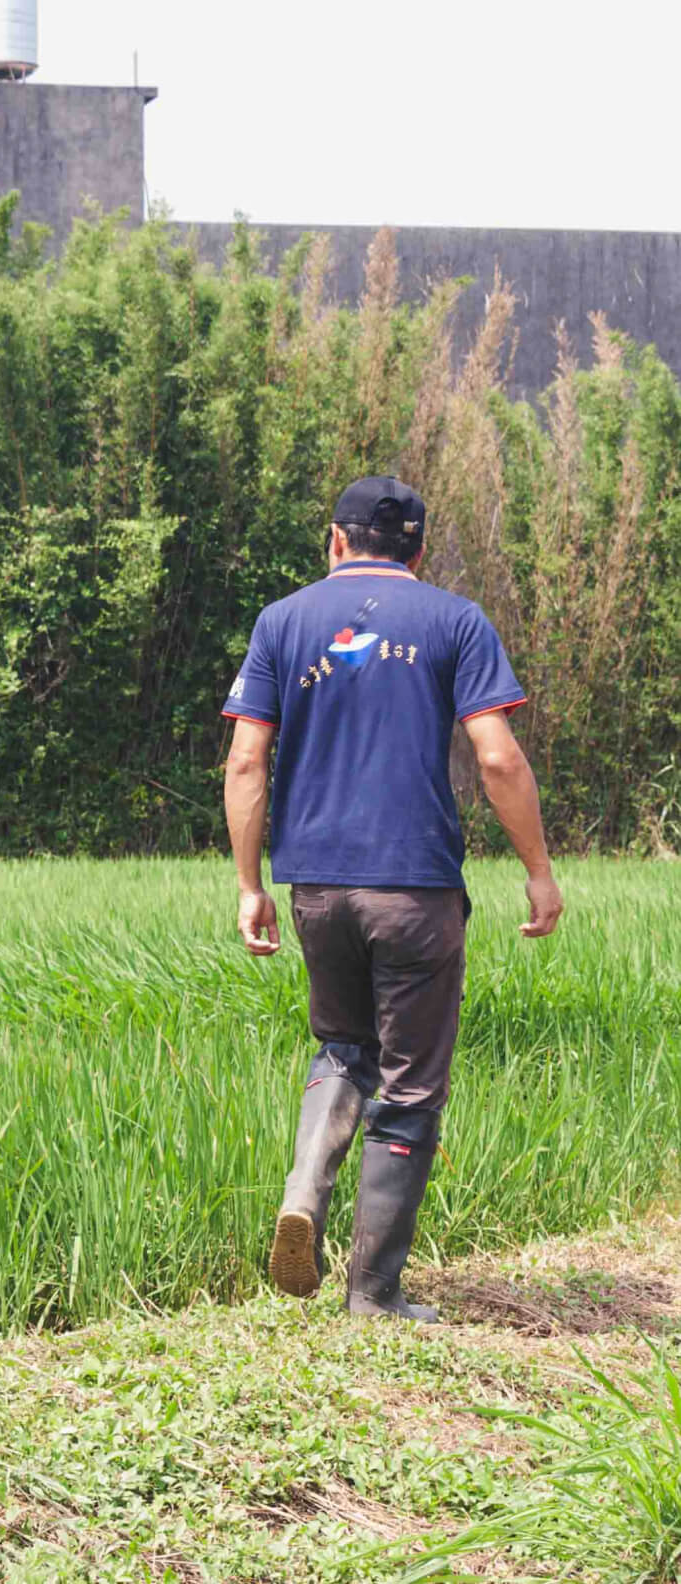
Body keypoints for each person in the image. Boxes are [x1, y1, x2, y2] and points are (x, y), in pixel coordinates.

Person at [222, 476, 563, 1321]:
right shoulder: (454, 619)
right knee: (408, 1087)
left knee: (342, 1047)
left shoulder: (281, 622)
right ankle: (373, 1294)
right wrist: (539, 869)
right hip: (415, 891)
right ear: (418, 549)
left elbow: (244, 762)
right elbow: (497, 757)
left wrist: (249, 885)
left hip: (318, 886)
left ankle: (306, 1188)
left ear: (334, 541)